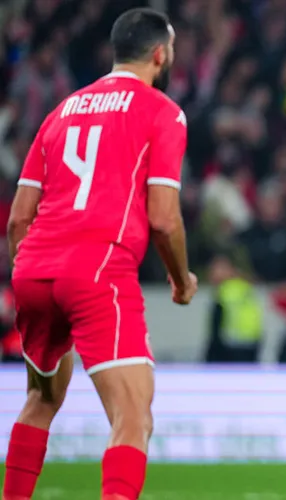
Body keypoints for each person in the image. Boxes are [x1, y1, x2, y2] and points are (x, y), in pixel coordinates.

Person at [2, 8, 197, 500]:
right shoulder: (162, 112)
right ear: (160, 54)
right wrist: (181, 279)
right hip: (98, 270)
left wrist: (35, 272)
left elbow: (18, 219)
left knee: (40, 399)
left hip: (33, 271)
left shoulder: (61, 111)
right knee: (132, 416)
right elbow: (163, 219)